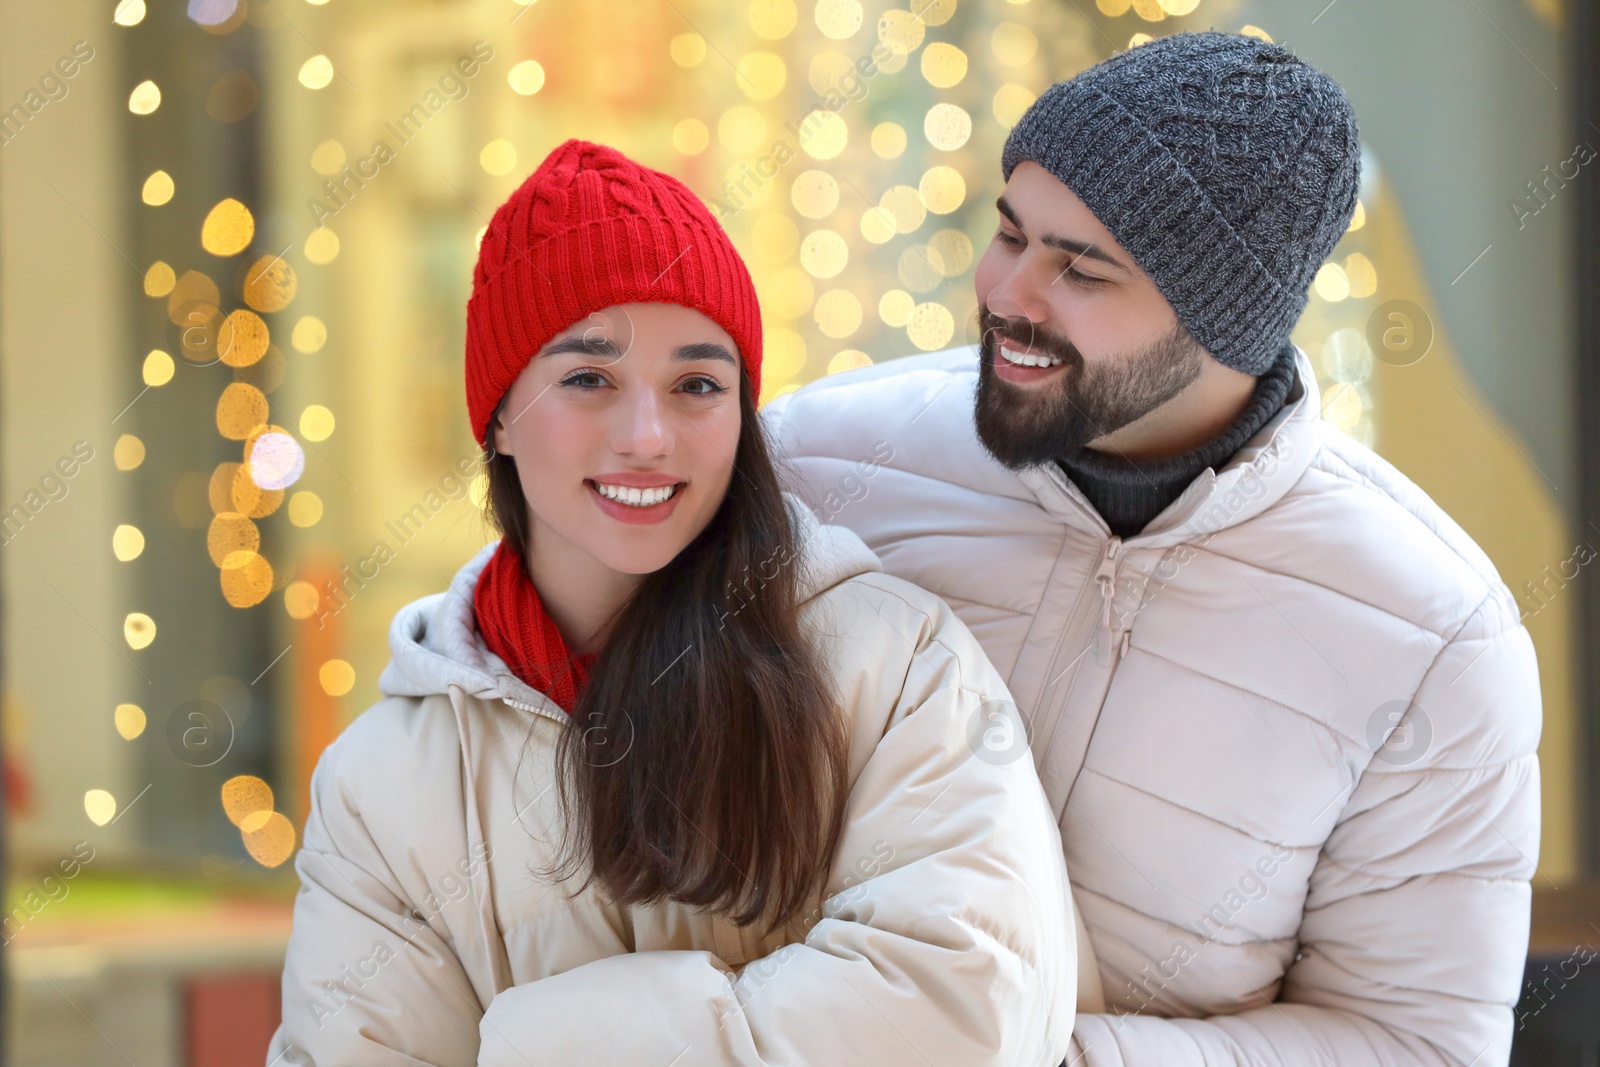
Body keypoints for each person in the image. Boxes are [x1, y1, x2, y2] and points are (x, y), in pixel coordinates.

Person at [764, 32, 1542, 1067]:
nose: (1009, 294)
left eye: (1080, 269)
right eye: (1010, 233)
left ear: (1227, 322)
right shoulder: (815, 464)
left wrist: (1042, 1055)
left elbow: (1414, 1039)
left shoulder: (1428, 630)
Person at [267, 139, 1076, 1066]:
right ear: (497, 416)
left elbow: (969, 1009)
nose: (647, 436)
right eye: (588, 378)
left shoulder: (889, 666)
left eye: (696, 384)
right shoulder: (382, 788)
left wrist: (536, 1044)